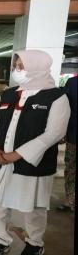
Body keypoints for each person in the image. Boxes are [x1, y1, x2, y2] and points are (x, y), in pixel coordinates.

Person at [0, 50, 70, 255]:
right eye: (16, 66)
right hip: (1, 159)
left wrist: (17, 155)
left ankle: (35, 243)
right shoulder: (9, 93)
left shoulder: (56, 97)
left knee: (34, 207)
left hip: (32, 162)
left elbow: (54, 133)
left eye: (21, 66)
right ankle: (0, 239)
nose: (16, 70)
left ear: (37, 67)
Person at [57, 76, 76, 212]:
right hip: (74, 135)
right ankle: (70, 200)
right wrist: (62, 130)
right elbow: (64, 108)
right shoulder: (73, 83)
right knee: (71, 168)